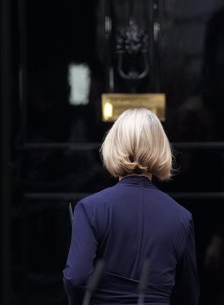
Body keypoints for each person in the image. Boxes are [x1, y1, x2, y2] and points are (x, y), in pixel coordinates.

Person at [63, 108, 200, 305]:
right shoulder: (181, 217)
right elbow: (188, 295)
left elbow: (75, 279)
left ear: (113, 146)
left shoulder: (90, 208)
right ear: (160, 148)